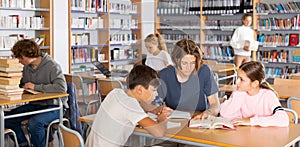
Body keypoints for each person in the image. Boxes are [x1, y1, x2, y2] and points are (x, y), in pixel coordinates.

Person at [85, 65, 172, 147]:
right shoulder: (130, 105)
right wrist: (162, 118)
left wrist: (154, 109)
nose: (156, 94)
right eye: (153, 90)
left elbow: (138, 105)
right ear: (139, 90)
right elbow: (159, 132)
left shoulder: (116, 93)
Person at [6, 39, 67, 147]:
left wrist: (36, 87)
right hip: (36, 104)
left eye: (21, 57)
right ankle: (23, 144)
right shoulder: (26, 67)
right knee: (7, 118)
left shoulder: (52, 66)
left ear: (30, 54)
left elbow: (61, 88)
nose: (19, 60)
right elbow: (23, 83)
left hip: (54, 106)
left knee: (35, 123)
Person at [157, 38, 220, 120]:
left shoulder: (204, 71)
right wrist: (160, 109)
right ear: (176, 60)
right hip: (173, 120)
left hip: (199, 120)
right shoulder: (164, 75)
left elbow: (215, 104)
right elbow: (152, 103)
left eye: (193, 63)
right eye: (184, 63)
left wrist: (208, 113)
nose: (189, 68)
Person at [220, 61, 289, 127]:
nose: (237, 82)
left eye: (241, 79)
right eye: (237, 78)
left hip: (267, 136)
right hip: (248, 134)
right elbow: (225, 115)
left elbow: (284, 120)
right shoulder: (240, 93)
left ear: (255, 83)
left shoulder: (268, 95)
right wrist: (237, 94)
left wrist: (251, 121)